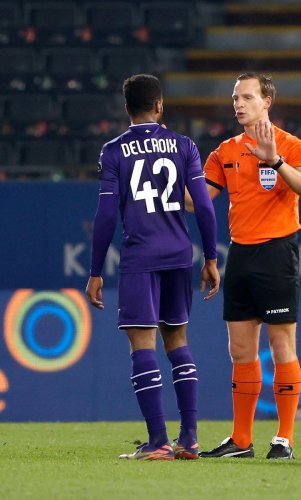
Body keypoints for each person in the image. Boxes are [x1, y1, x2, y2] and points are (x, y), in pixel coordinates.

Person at [85, 74, 220, 460]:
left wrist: (95, 270)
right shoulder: (185, 146)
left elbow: (106, 215)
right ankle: (190, 439)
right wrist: (210, 258)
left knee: (142, 344)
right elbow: (205, 207)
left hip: (140, 257)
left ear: (126, 108)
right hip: (179, 255)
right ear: (160, 106)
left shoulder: (114, 151)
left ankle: (158, 441)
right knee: (178, 340)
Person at [194, 73, 301, 459]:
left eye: (247, 97)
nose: (238, 104)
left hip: (278, 252)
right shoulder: (224, 151)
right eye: (235, 97)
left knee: (282, 346)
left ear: (267, 102)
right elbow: (198, 199)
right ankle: (242, 441)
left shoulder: (291, 146)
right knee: (241, 350)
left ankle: (284, 438)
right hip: (241, 255)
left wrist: (275, 161)